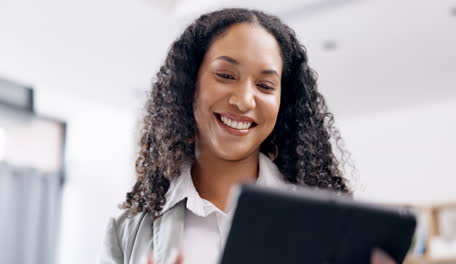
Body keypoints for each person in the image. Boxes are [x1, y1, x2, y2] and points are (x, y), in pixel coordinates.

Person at [99, 8, 396, 264]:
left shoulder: (328, 227)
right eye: (226, 76)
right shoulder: (126, 232)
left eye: (265, 86)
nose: (244, 101)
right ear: (189, 86)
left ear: (283, 103)